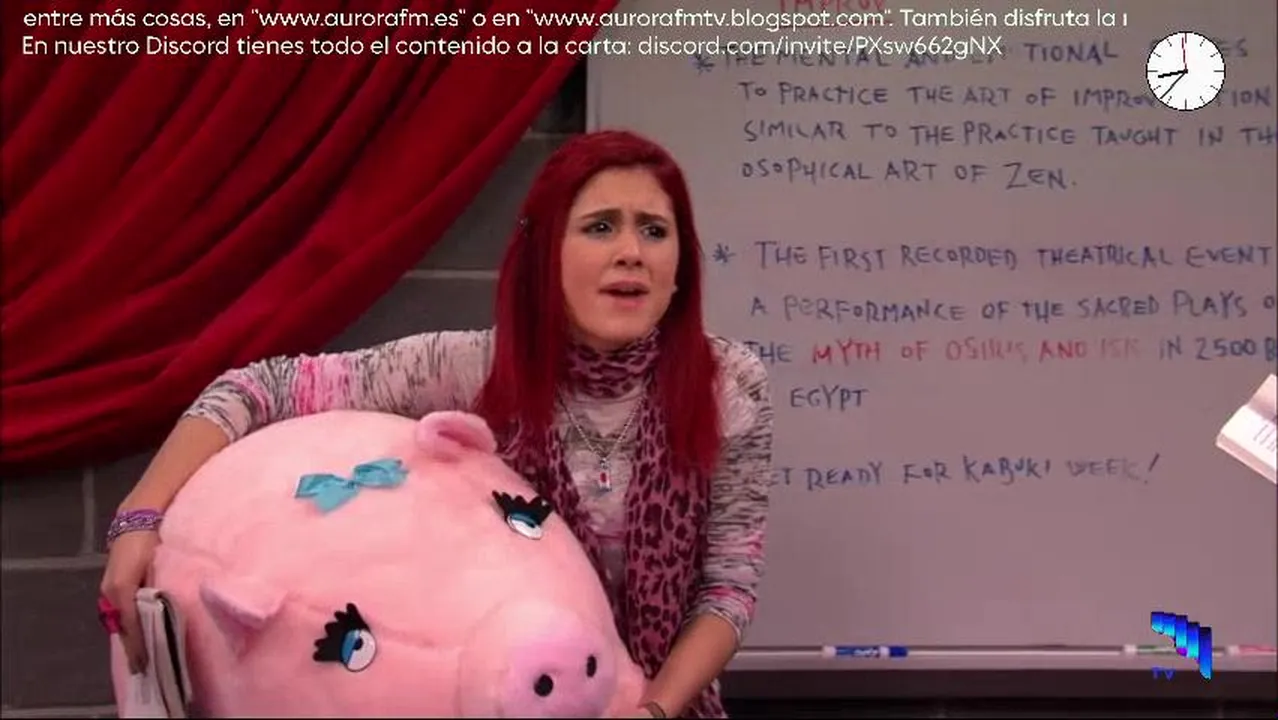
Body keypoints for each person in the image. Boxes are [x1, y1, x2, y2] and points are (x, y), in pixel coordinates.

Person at [98, 129, 775, 718]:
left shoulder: (729, 385)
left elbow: (727, 591)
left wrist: (650, 709)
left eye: (654, 230)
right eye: (600, 227)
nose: (632, 251)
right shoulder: (472, 369)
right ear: (545, 254)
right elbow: (254, 389)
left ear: (680, 266)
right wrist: (139, 516)